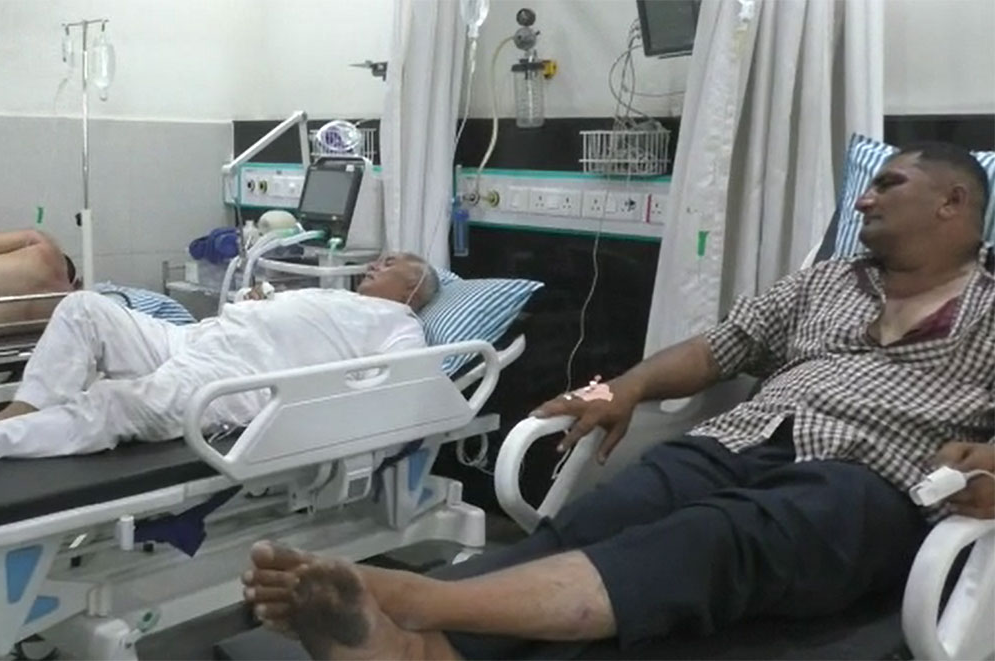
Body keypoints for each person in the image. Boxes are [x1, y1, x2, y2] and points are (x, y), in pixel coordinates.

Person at [240, 141, 995, 660]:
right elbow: (718, 348)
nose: (864, 198)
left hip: (864, 482)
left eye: (889, 184)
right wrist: (620, 388)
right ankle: (417, 651)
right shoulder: (826, 280)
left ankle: (420, 601)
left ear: (953, 201)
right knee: (603, 515)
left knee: (715, 537)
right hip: (739, 441)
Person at [0, 252, 441, 466]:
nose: (375, 264)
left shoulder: (399, 323)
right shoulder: (336, 294)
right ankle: (22, 410)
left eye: (390, 264)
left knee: (115, 402)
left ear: (413, 288)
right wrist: (261, 302)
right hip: (195, 339)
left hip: (239, 380)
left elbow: (406, 384)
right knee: (84, 308)